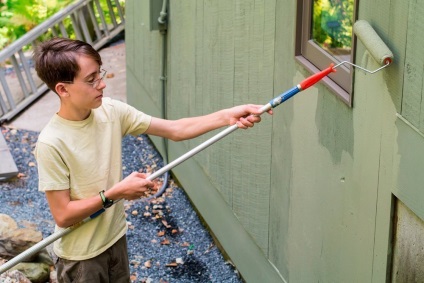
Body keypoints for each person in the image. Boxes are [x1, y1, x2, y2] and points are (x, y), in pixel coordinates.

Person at [33, 37, 272, 282]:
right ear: (63, 89)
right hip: (81, 257)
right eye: (91, 79)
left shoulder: (111, 112)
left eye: (100, 74)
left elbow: (176, 130)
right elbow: (63, 215)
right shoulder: (52, 143)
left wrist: (227, 116)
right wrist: (115, 193)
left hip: (115, 239)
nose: (102, 84)